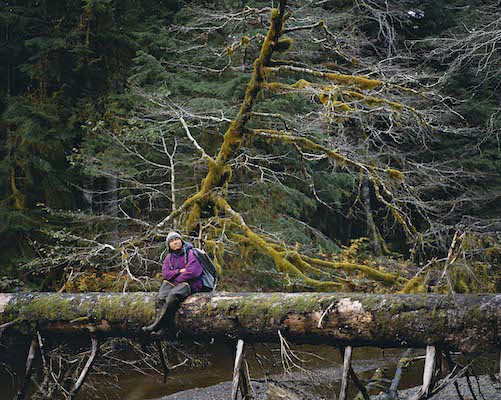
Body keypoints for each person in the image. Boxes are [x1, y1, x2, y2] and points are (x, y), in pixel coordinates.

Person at [143, 231, 203, 333]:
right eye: (172, 241)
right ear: (169, 245)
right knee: (161, 297)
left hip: (192, 284)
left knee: (173, 296)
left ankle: (158, 326)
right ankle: (161, 328)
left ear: (181, 241)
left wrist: (176, 278)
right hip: (176, 283)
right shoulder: (169, 258)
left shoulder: (191, 253)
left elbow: (191, 272)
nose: (175, 242)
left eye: (177, 239)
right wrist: (179, 271)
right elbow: (166, 274)